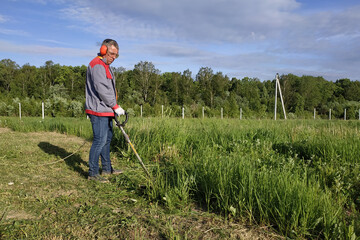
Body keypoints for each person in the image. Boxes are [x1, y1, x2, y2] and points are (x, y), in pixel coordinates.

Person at [85, 39, 125, 182]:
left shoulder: (105, 65)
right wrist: (115, 106)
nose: (114, 57)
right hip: (98, 110)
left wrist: (114, 106)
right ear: (103, 50)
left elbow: (109, 89)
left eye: (116, 55)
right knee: (99, 140)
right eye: (112, 54)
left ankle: (107, 169)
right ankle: (93, 173)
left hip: (106, 109)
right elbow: (102, 89)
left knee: (107, 140)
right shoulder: (97, 65)